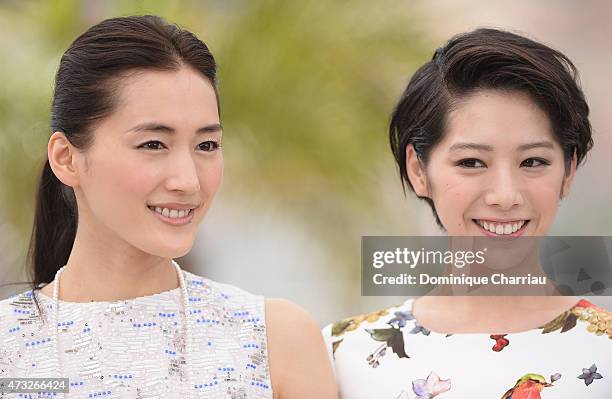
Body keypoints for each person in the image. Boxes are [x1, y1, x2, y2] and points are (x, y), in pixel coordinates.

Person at [0, 15, 337, 399]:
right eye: (153, 145)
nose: (188, 181)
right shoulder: (8, 347)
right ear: (67, 159)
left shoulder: (275, 338)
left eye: (206, 146)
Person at [322, 28, 611, 398]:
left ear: (568, 171)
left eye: (533, 161)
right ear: (419, 170)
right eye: (472, 162)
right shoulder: (341, 357)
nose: (505, 195)